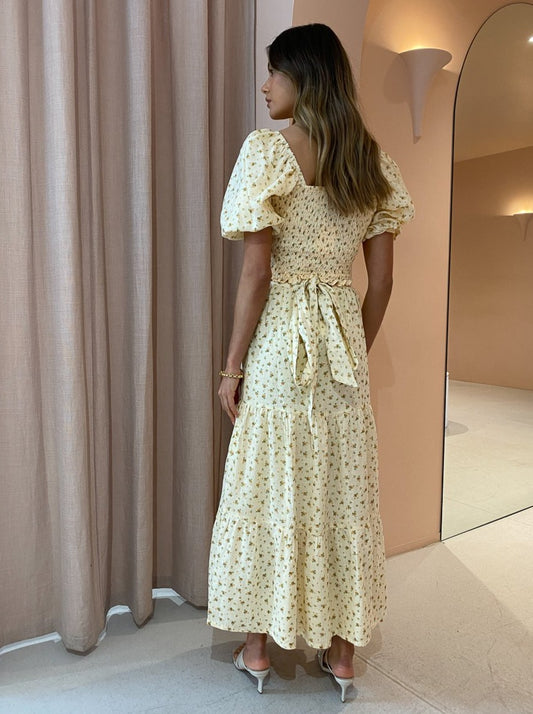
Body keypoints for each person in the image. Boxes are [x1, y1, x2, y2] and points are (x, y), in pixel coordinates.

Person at [207, 23, 414, 701]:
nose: (265, 85)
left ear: (303, 76)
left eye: (274, 72)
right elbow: (381, 283)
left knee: (268, 486)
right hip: (341, 350)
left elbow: (256, 273)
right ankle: (343, 654)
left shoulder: (268, 152)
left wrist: (232, 366)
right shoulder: (373, 164)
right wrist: (355, 346)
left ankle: (257, 648)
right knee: (342, 490)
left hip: (279, 346)